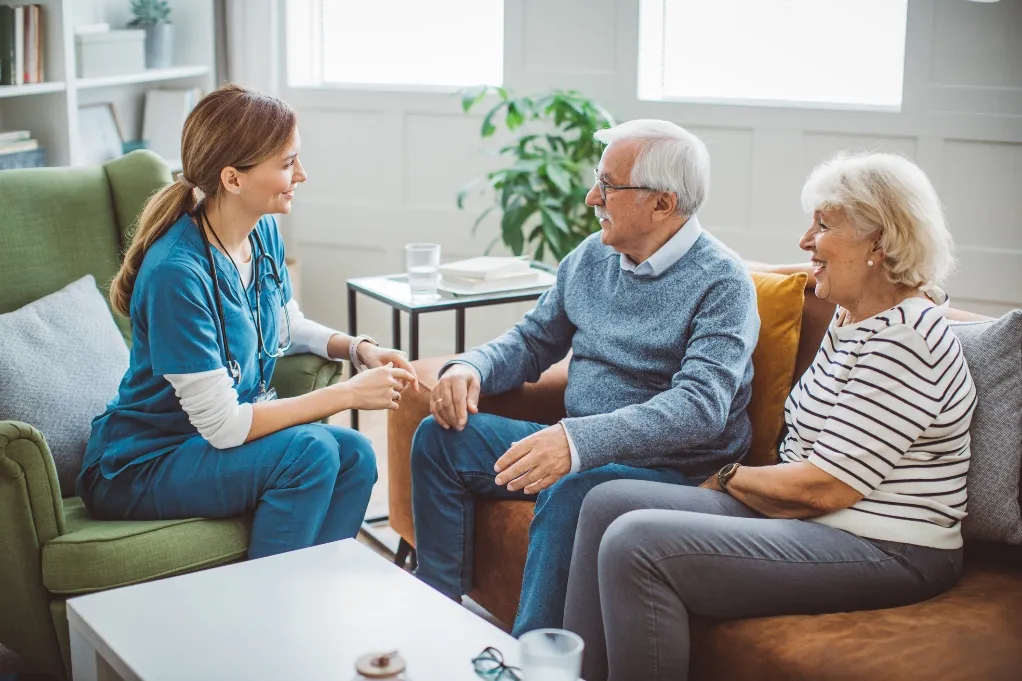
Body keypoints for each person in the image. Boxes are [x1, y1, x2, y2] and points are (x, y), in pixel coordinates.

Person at [563, 151, 977, 681]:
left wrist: (731, 477)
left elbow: (825, 488)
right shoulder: (854, 315)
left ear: (880, 242)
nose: (806, 242)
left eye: (823, 226)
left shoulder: (907, 339)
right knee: (605, 500)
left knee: (635, 543)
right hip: (814, 519)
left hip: (887, 547)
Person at [410, 119, 761, 635]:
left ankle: (535, 663)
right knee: (444, 438)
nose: (592, 195)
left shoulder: (724, 283)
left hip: (674, 473)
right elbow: (532, 341)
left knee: (576, 490)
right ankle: (437, 620)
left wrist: (577, 443)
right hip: (578, 449)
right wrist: (471, 366)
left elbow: (700, 408)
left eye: (610, 186)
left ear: (663, 203)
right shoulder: (593, 256)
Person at [78, 85, 418, 559]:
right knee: (311, 452)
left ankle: (314, 593)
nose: (302, 174)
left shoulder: (261, 232)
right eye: (286, 164)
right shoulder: (177, 273)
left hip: (202, 448)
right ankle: (267, 613)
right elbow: (223, 426)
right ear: (233, 179)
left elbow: (281, 325)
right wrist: (348, 393)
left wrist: (358, 349)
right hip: (141, 464)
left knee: (355, 457)